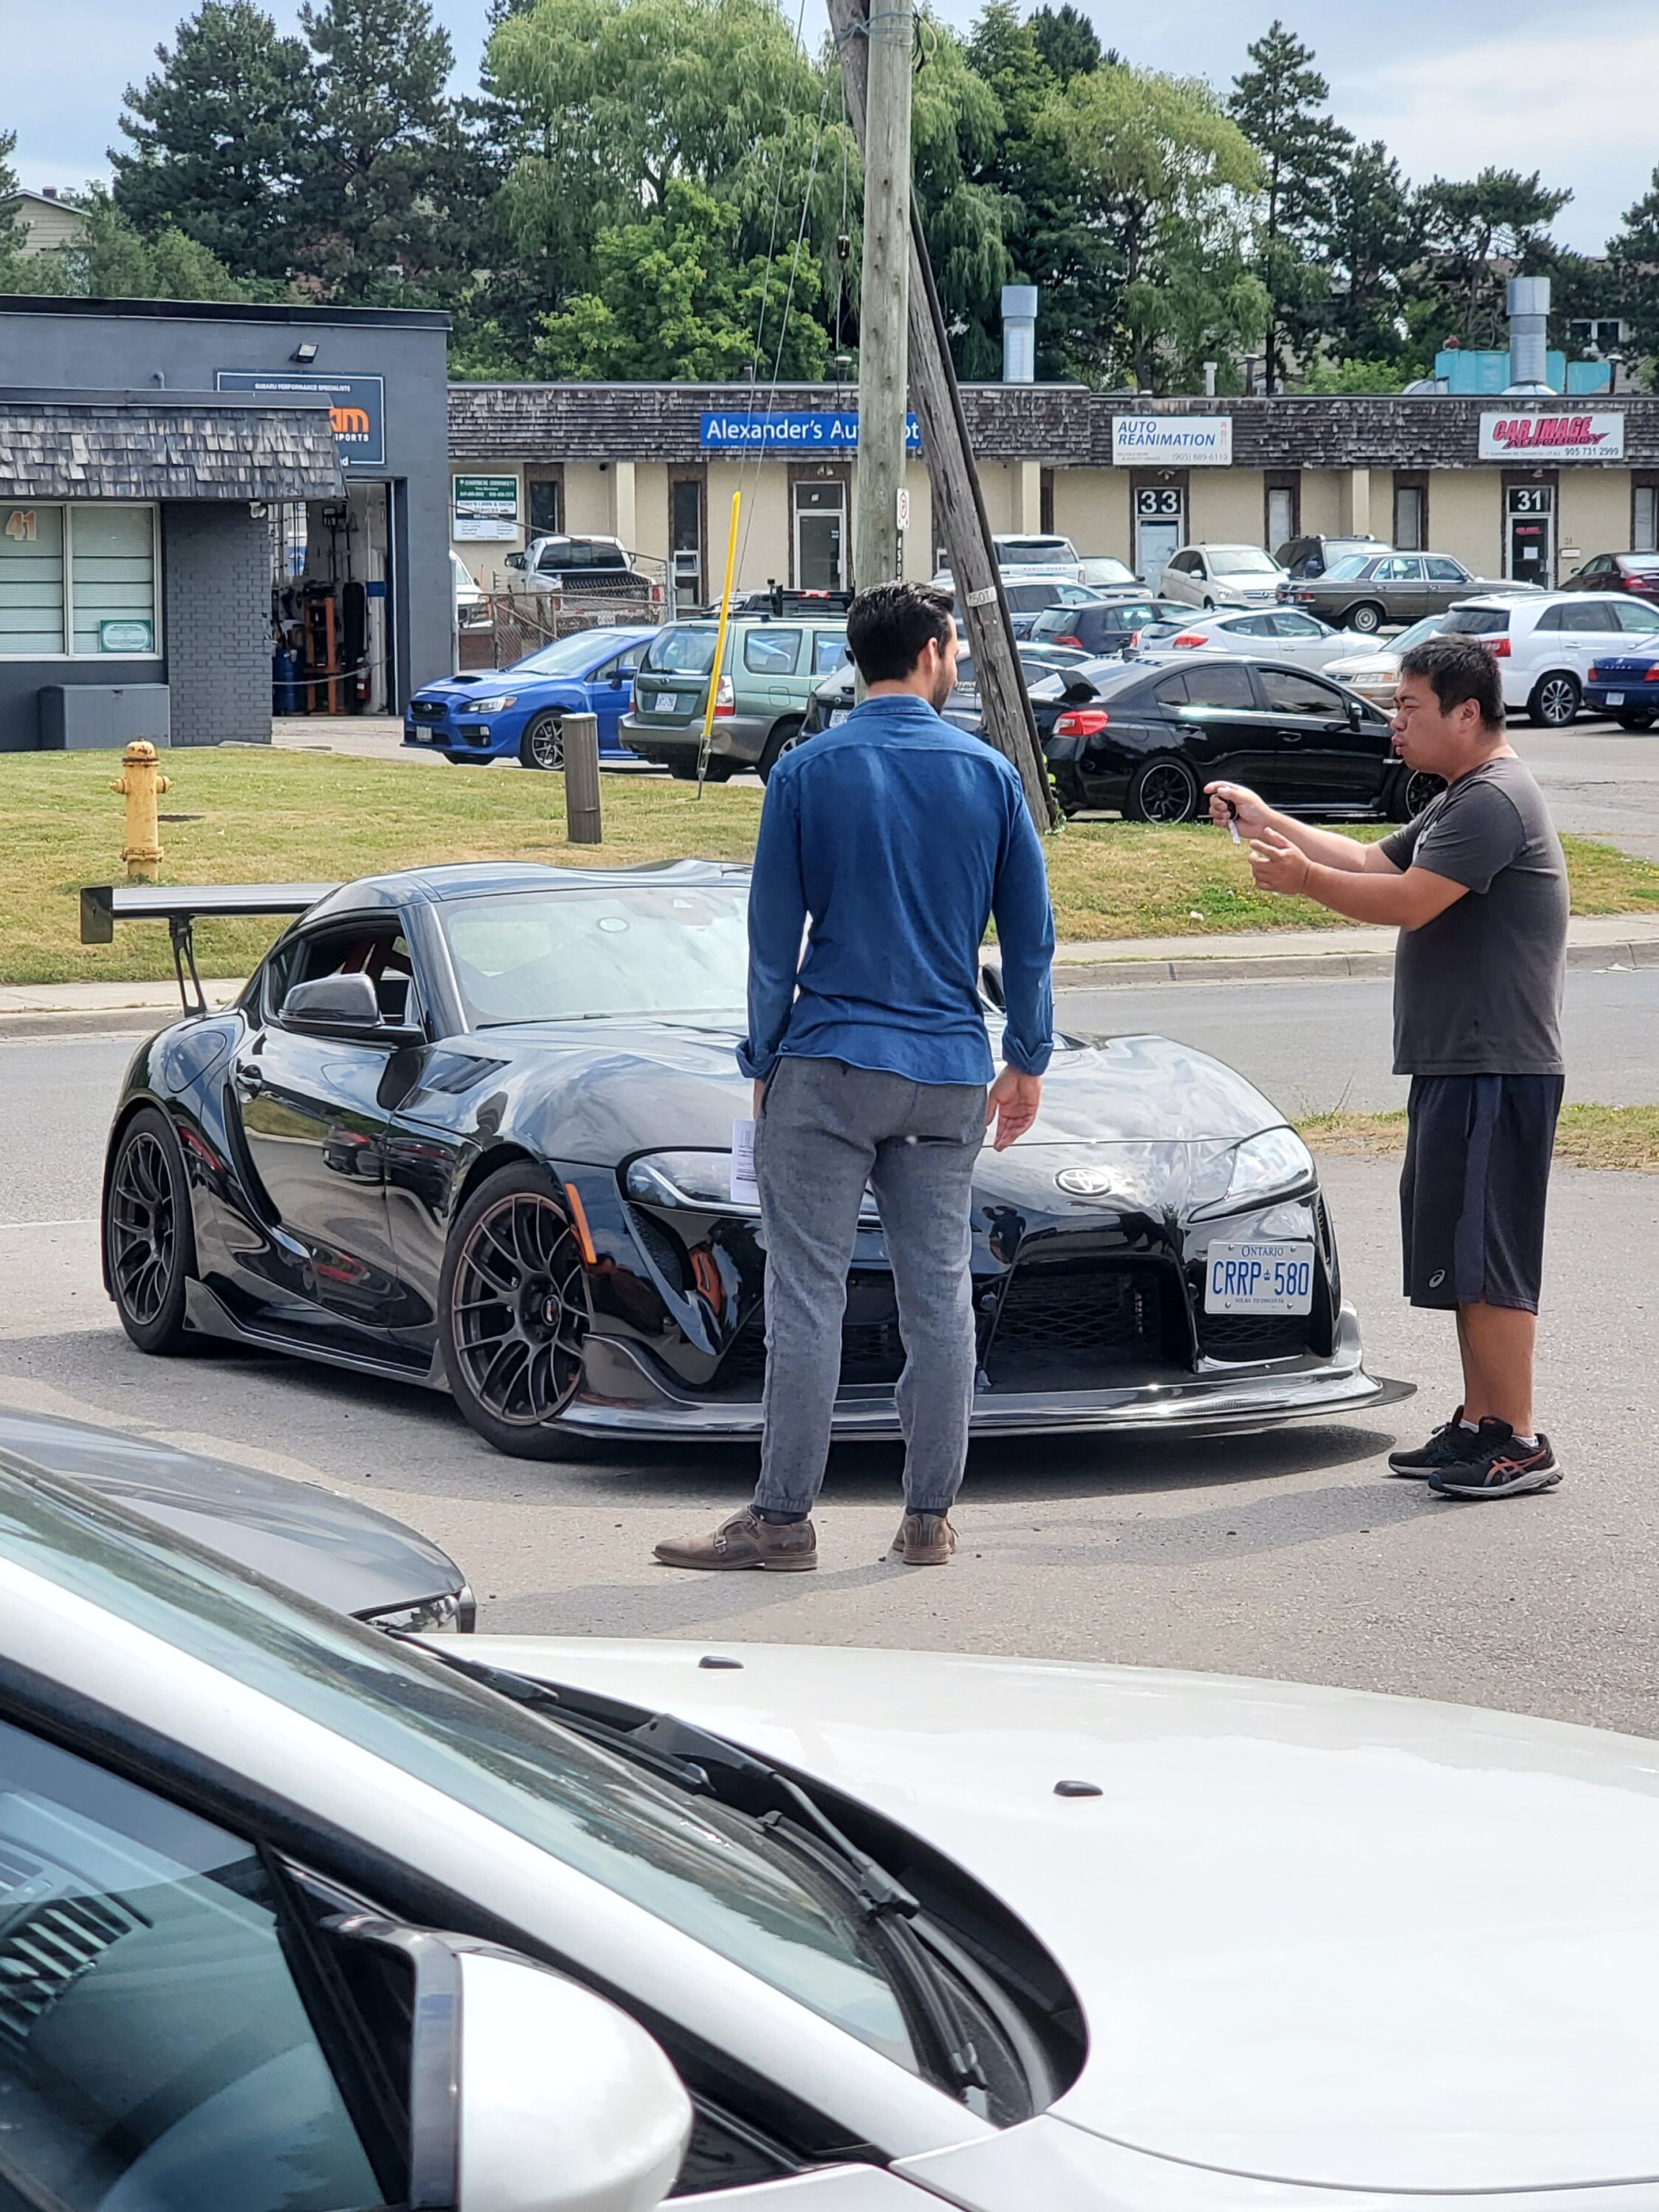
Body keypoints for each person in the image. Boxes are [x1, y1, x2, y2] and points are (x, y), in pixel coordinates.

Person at [654, 580, 1056, 1573]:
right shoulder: (991, 775)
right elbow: (1034, 942)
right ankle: (929, 1519)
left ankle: (784, 1520)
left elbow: (768, 938)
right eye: (954, 647)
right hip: (950, 1071)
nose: (957, 660)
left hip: (829, 1064)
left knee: (807, 1296)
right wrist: (1028, 1059)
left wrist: (761, 1056)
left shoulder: (805, 770)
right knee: (938, 1297)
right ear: (926, 654)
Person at [1207, 634, 1567, 1500]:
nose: (1394, 725)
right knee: (1460, 1255)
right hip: (1458, 1063)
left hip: (1496, 1065)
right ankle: (1480, 1424)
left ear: (1466, 713)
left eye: (1410, 709)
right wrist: (1270, 820)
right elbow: (1374, 860)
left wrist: (1301, 884)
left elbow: (1406, 902)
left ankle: (1517, 1437)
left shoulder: (1496, 801)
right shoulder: (1459, 799)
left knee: (1491, 1257)